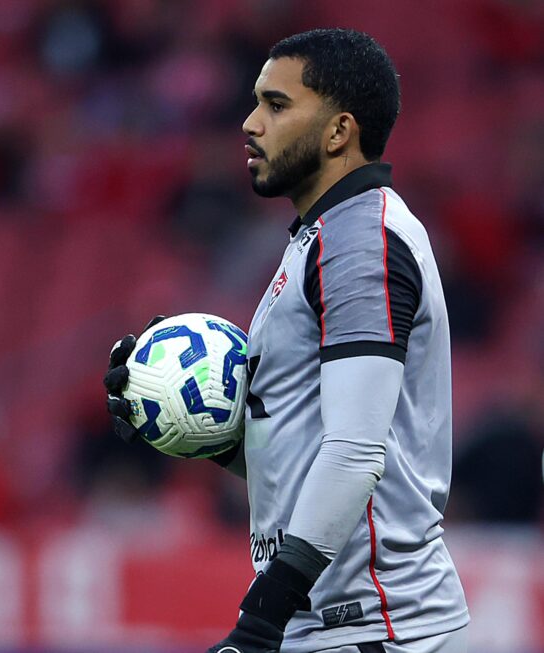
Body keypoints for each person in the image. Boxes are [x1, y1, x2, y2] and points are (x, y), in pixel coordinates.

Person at [105, 29, 469, 653]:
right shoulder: (324, 238)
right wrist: (191, 429)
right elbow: (312, 459)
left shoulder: (359, 242)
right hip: (342, 626)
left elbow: (355, 457)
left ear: (338, 132)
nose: (249, 124)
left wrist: (261, 620)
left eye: (275, 105)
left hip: (376, 627)